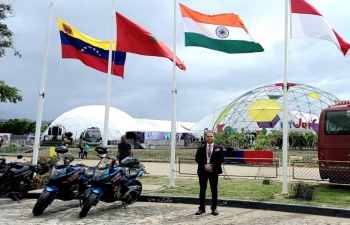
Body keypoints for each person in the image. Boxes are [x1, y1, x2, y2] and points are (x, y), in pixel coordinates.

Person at [194, 131, 224, 216]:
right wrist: (204, 165)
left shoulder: (219, 148)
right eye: (208, 136)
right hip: (203, 171)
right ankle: (201, 208)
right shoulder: (201, 148)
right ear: (205, 137)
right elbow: (197, 158)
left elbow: (221, 159)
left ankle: (214, 208)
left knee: (214, 190)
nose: (209, 137)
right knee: (202, 190)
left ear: (214, 137)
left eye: (211, 136)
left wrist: (212, 165)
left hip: (214, 171)